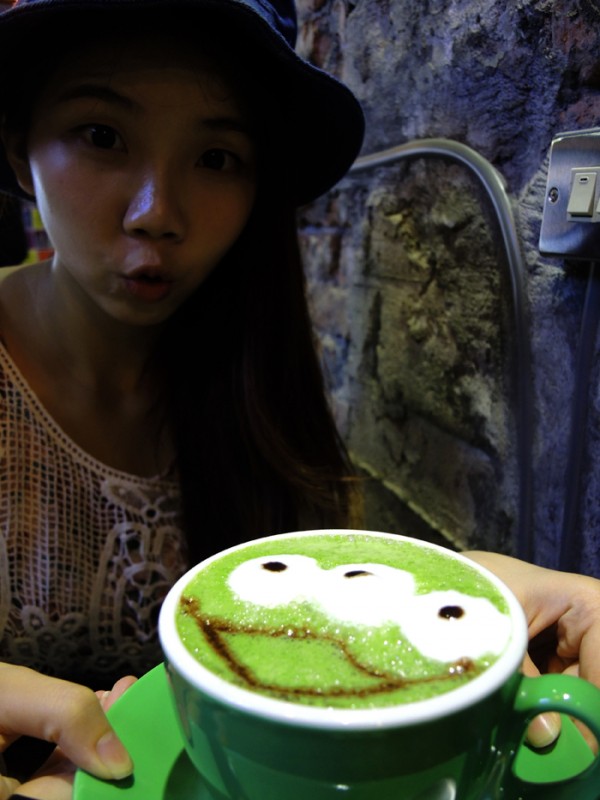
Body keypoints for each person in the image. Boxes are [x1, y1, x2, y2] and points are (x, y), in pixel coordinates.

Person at [0, 0, 598, 797]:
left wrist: (447, 610)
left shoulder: (259, 381)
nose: (157, 213)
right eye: (102, 136)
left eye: (217, 157)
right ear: (19, 151)